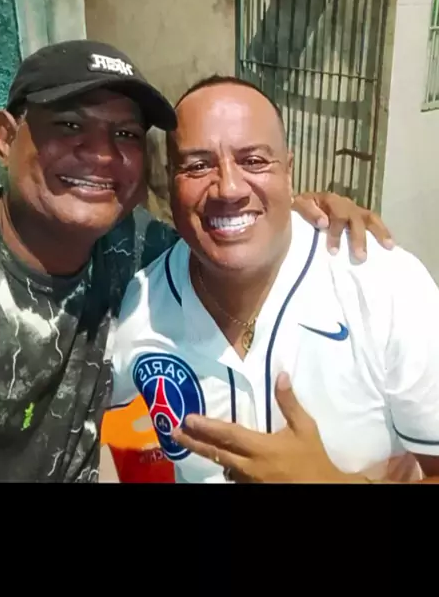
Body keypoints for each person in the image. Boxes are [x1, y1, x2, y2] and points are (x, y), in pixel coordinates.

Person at [0, 42, 392, 483]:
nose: (102, 154)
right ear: (5, 137)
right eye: (70, 124)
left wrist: (296, 210)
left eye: (126, 134)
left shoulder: (136, 249)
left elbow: (227, 229)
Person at [112, 75, 439, 484]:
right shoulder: (139, 302)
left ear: (289, 171)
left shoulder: (384, 285)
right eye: (197, 165)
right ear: (169, 179)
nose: (229, 188)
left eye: (253, 161)